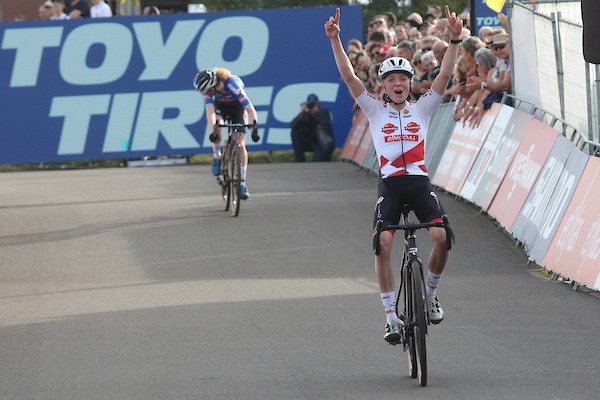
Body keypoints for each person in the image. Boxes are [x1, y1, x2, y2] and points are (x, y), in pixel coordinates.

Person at [325, 5, 462, 344]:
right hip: (390, 185)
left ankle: (430, 296)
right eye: (391, 80)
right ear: (384, 86)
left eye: (403, 79)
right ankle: (390, 318)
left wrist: (455, 39)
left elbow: (444, 75)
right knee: (383, 243)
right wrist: (335, 39)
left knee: (443, 238)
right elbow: (348, 76)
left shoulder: (424, 108)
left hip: (418, 183)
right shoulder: (373, 109)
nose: (398, 83)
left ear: (410, 84)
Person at [193, 68, 259, 199]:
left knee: (240, 143)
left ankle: (242, 183)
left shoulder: (232, 85)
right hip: (220, 108)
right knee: (218, 125)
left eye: (207, 90)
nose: (206, 93)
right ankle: (217, 157)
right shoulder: (208, 90)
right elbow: (210, 111)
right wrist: (213, 132)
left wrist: (254, 128)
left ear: (214, 85)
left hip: (237, 108)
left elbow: (250, 109)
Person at [290, 94, 335, 162]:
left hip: (321, 143)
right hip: (310, 142)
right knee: (294, 132)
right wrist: (301, 113)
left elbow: (327, 127)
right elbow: (292, 126)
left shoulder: (324, 112)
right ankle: (300, 160)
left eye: (314, 104)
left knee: (318, 162)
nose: (312, 106)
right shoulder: (305, 114)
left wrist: (317, 113)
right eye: (310, 104)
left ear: (318, 104)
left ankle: (324, 155)